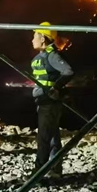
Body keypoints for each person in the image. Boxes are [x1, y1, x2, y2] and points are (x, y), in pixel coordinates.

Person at [30, 22, 74, 178]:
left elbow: (68, 71)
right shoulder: (40, 57)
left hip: (49, 102)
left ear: (42, 38)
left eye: (35, 36)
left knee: (44, 137)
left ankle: (38, 174)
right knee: (52, 136)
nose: (32, 39)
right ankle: (55, 169)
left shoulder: (52, 55)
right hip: (42, 100)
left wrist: (55, 88)